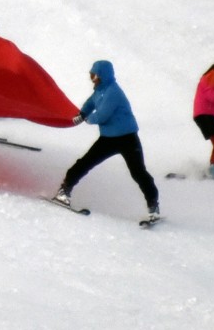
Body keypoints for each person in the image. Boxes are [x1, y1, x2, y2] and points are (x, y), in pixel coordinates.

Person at [53, 60, 161, 223]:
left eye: (94, 75)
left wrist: (87, 119)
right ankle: (64, 190)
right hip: (108, 138)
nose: (92, 79)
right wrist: (82, 113)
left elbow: (102, 115)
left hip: (127, 138)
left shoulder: (113, 92)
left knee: (138, 172)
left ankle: (153, 206)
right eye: (91, 75)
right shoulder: (100, 89)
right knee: (85, 162)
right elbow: (91, 103)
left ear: (103, 75)